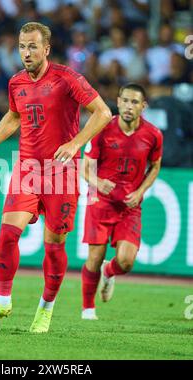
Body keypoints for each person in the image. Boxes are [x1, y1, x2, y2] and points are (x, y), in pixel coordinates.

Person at [0, 22, 112, 333]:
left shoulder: (67, 78)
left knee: (54, 245)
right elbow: (14, 115)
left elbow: (102, 112)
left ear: (46, 49)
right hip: (28, 170)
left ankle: (46, 308)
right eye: (22, 46)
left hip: (63, 173)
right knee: (8, 233)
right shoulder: (16, 82)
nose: (26, 52)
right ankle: (2, 299)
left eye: (33, 46)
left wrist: (75, 143)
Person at [81, 83, 163, 320]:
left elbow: (155, 166)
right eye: (125, 101)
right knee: (94, 257)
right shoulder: (102, 129)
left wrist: (140, 192)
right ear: (118, 102)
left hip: (129, 206)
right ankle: (88, 309)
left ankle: (110, 271)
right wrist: (98, 182)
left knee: (126, 262)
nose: (129, 106)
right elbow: (84, 167)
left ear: (143, 106)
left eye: (135, 102)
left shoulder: (153, 134)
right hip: (101, 201)